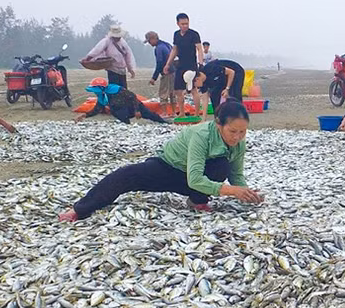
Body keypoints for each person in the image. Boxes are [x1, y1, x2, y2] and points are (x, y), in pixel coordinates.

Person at [59, 100, 263, 222]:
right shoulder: (202, 135)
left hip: (193, 180)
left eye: (242, 132)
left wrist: (246, 193)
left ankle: (197, 201)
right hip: (167, 167)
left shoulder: (238, 143)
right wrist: (231, 191)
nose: (237, 137)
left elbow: (236, 175)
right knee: (125, 175)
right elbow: (194, 178)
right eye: (232, 131)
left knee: (222, 166)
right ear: (219, 124)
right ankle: (79, 209)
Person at [75, 78, 170, 125]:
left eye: (96, 90)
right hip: (120, 110)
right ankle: (127, 125)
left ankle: (164, 123)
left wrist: (137, 110)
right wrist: (85, 115)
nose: (95, 93)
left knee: (150, 115)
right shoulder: (102, 96)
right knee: (117, 111)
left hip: (133, 106)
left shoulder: (117, 90)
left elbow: (133, 97)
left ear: (101, 88)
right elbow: (97, 109)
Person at [164, 13, 203, 119]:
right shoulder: (176, 34)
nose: (185, 26)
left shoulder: (194, 34)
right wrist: (168, 64)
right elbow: (174, 50)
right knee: (178, 90)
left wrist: (201, 63)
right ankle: (181, 112)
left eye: (187, 23)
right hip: (180, 65)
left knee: (193, 89)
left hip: (192, 65)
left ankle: (196, 113)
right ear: (178, 24)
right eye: (183, 24)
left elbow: (199, 49)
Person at [144, 31, 177, 116]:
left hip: (166, 72)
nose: (149, 43)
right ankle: (174, 112)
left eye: (149, 41)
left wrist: (154, 78)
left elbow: (159, 63)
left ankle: (165, 113)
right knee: (172, 92)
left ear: (153, 39)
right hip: (173, 71)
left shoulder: (159, 48)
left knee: (163, 92)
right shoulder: (167, 45)